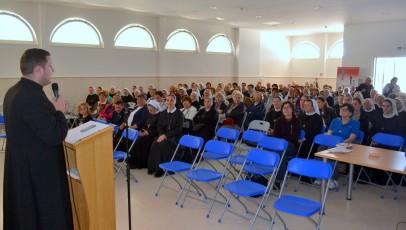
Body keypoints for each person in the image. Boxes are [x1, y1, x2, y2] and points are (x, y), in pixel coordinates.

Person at [3, 48, 73, 229]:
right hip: (37, 172)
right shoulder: (32, 96)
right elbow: (54, 135)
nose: (53, 69)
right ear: (38, 69)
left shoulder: (13, 91)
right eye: (50, 65)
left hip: (22, 165)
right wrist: (58, 111)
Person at [148, 95, 183, 177]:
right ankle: (154, 167)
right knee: (155, 144)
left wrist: (165, 136)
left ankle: (162, 169)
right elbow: (159, 127)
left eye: (171, 100)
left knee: (163, 145)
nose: (169, 102)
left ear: (175, 102)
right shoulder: (163, 113)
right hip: (163, 135)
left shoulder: (179, 114)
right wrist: (161, 135)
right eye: (167, 100)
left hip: (174, 136)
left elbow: (178, 129)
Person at [272, 101, 302, 186]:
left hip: (291, 146)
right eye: (284, 108)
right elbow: (275, 135)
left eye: (288, 107)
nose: (286, 109)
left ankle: (278, 180)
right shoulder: (278, 121)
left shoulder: (297, 122)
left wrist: (282, 141)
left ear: (292, 109)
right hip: (279, 146)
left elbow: (294, 138)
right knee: (279, 152)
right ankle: (258, 175)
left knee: (280, 149)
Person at [129, 100, 161, 169]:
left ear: (156, 108)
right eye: (148, 110)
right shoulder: (150, 115)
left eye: (151, 110)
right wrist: (141, 131)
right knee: (135, 139)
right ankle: (133, 161)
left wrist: (148, 133)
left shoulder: (160, 116)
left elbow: (159, 130)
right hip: (146, 133)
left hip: (153, 135)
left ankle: (140, 163)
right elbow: (145, 125)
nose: (149, 112)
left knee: (141, 141)